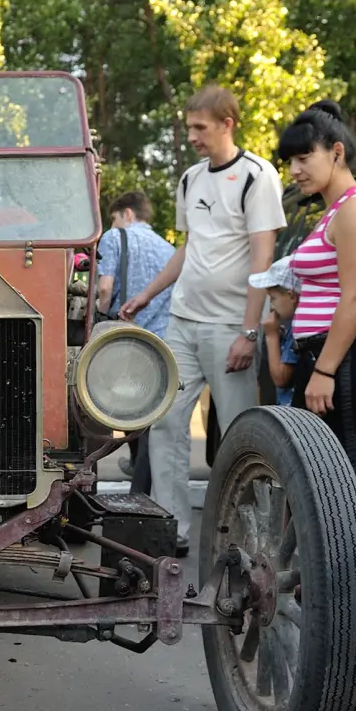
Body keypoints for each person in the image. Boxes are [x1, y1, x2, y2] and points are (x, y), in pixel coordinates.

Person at [121, 86, 285, 557]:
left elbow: (264, 256)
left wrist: (248, 331)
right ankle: (170, 529)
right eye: (189, 126)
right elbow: (189, 248)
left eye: (200, 127)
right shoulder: (191, 179)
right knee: (166, 421)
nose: (192, 135)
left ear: (227, 123)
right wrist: (147, 294)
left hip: (230, 325)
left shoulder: (257, 177)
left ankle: (246, 535)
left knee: (236, 432)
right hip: (183, 320)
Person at [279, 100, 356, 523]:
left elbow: (354, 298)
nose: (295, 170)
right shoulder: (333, 212)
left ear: (337, 152)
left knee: (350, 479)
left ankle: (354, 584)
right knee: (321, 477)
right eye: (291, 161)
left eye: (304, 157)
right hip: (324, 356)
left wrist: (324, 370)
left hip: (345, 360)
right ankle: (325, 581)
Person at [96, 191, 175, 493]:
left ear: (126, 214)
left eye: (114, 218)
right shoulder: (169, 249)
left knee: (124, 409)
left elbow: (105, 288)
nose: (113, 224)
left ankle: (137, 481)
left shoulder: (114, 237)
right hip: (164, 341)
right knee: (154, 413)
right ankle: (144, 480)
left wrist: (99, 320)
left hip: (129, 339)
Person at [249, 256, 301, 407]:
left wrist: (272, 336)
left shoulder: (296, 328)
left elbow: (281, 378)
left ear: (291, 296)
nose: (271, 306)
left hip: (292, 414)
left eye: (273, 298)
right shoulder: (289, 325)